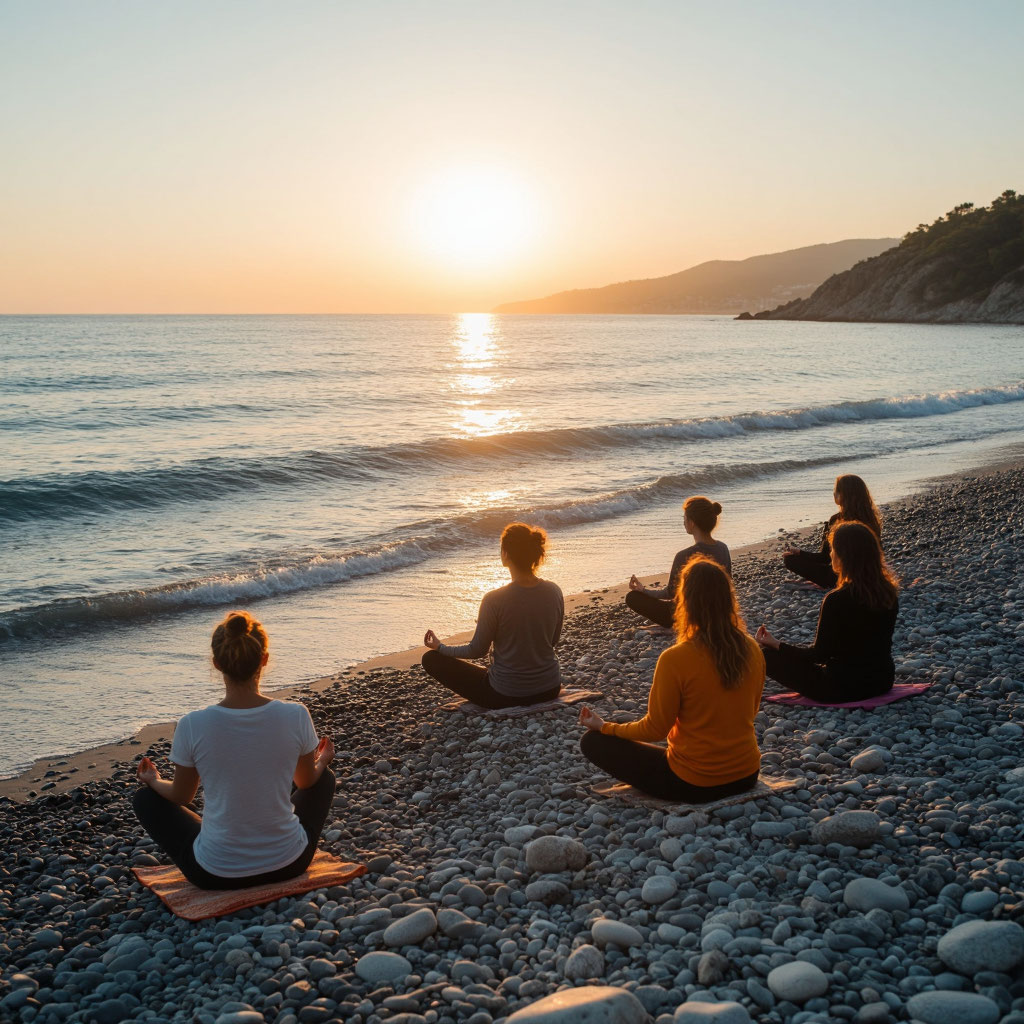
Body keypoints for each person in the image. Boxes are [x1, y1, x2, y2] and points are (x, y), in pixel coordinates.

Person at [132, 611, 336, 889]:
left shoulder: (192, 724)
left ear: (217, 664)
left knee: (146, 800)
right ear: (264, 659)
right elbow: (306, 782)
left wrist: (154, 780)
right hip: (290, 863)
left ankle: (226, 841)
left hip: (215, 874)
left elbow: (182, 795)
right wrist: (322, 762)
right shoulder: (295, 714)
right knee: (323, 779)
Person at [579, 557, 764, 802]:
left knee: (592, 742)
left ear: (685, 603)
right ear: (729, 599)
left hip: (694, 783)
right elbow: (750, 711)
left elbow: (655, 728)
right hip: (747, 773)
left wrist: (605, 727)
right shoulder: (752, 648)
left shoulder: (675, 658)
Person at [422, 522, 563, 709]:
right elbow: (552, 640)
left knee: (430, 659)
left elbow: (476, 650)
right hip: (550, 688)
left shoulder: (494, 599)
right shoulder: (554, 591)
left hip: (507, 695)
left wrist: (440, 647)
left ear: (505, 554)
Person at [757, 521, 899, 702]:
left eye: (832, 550)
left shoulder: (837, 599)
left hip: (841, 687)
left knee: (765, 655)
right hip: (882, 681)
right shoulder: (888, 593)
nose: (830, 554)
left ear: (843, 556)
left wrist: (776, 644)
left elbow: (818, 655)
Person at [625, 496, 731, 629]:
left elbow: (670, 593)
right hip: (719, 613)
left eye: (684, 519)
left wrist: (643, 590)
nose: (683, 522)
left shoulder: (684, 555)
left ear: (692, 523)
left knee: (632, 598)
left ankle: (678, 624)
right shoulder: (723, 548)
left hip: (690, 615)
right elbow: (728, 584)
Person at [783, 474, 882, 589]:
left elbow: (825, 558)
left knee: (790, 559)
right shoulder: (871, 519)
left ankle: (825, 583)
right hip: (871, 576)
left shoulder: (836, 520)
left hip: (839, 578)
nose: (833, 493)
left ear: (843, 495)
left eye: (836, 490)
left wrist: (800, 554)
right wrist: (800, 552)